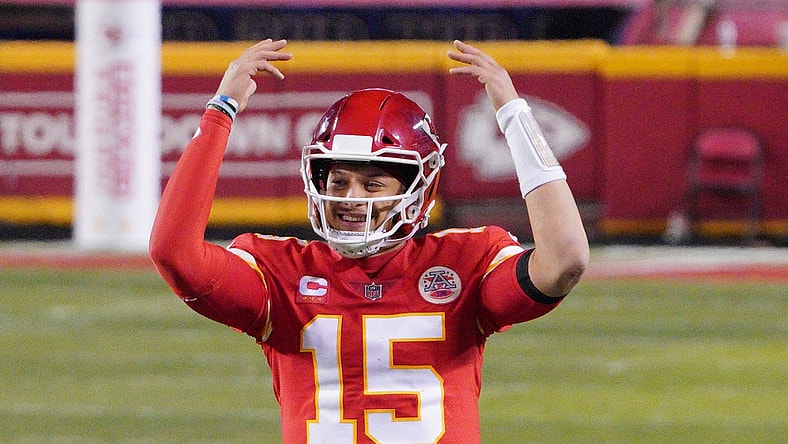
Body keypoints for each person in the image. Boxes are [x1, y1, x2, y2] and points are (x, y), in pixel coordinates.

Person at [149, 38, 589, 444]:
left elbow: (564, 258)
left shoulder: (465, 262)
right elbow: (173, 253)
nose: (349, 198)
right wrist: (220, 111)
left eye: (372, 184)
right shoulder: (279, 273)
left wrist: (515, 117)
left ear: (417, 188)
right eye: (338, 181)